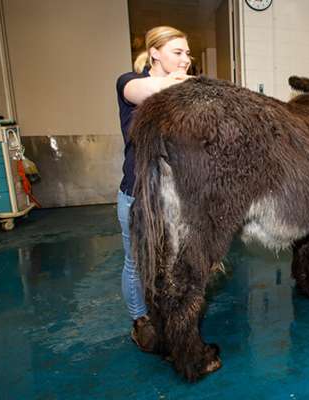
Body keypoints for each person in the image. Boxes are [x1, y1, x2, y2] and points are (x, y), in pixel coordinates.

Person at [116, 26, 192, 352]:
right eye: (178, 52)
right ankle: (140, 321)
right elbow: (147, 90)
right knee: (136, 262)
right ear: (154, 53)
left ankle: (168, 315)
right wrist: (189, 84)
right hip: (137, 195)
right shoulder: (128, 83)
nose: (186, 60)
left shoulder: (181, 91)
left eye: (188, 54)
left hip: (174, 198)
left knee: (173, 262)